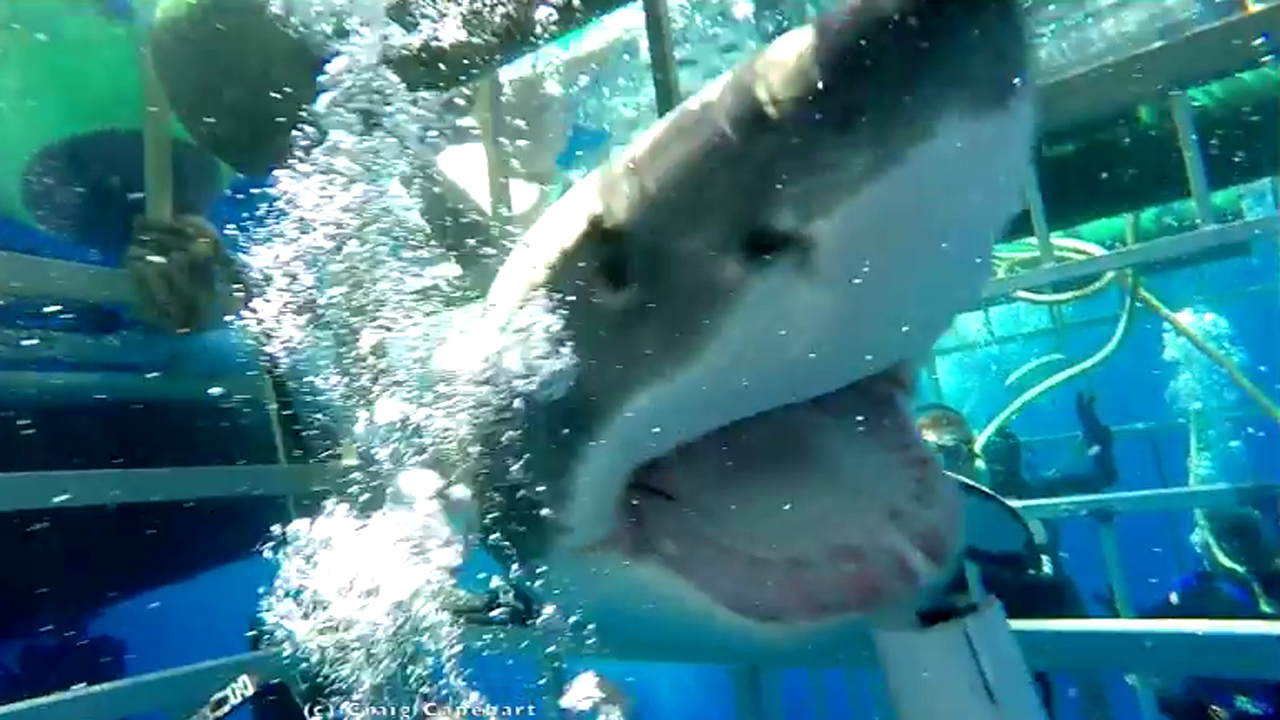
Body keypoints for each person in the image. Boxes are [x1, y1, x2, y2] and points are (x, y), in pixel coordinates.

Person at [915, 392, 1119, 720]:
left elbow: (1103, 476)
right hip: (1002, 611)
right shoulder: (941, 507)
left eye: (953, 454)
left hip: (1041, 601)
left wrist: (1096, 432)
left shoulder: (1028, 492)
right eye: (937, 457)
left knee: (1084, 692)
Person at [1098, 506, 1278, 720]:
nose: (1194, 538)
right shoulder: (1202, 590)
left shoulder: (1198, 592)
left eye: (1200, 530)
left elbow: (1154, 624)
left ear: (1221, 544)